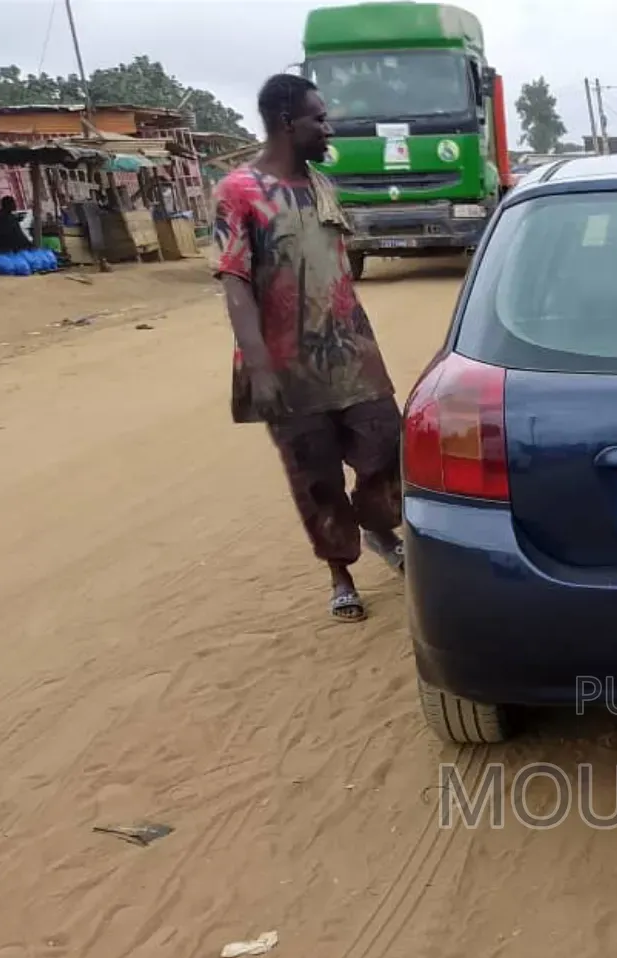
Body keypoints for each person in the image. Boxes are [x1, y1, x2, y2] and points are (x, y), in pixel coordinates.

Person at [212, 73, 403, 622]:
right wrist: (259, 365)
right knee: (315, 477)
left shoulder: (321, 183)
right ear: (286, 122)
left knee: (385, 451)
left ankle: (376, 529)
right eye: (319, 118)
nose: (328, 127)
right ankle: (340, 573)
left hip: (351, 355)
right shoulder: (240, 192)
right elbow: (235, 282)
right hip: (288, 368)